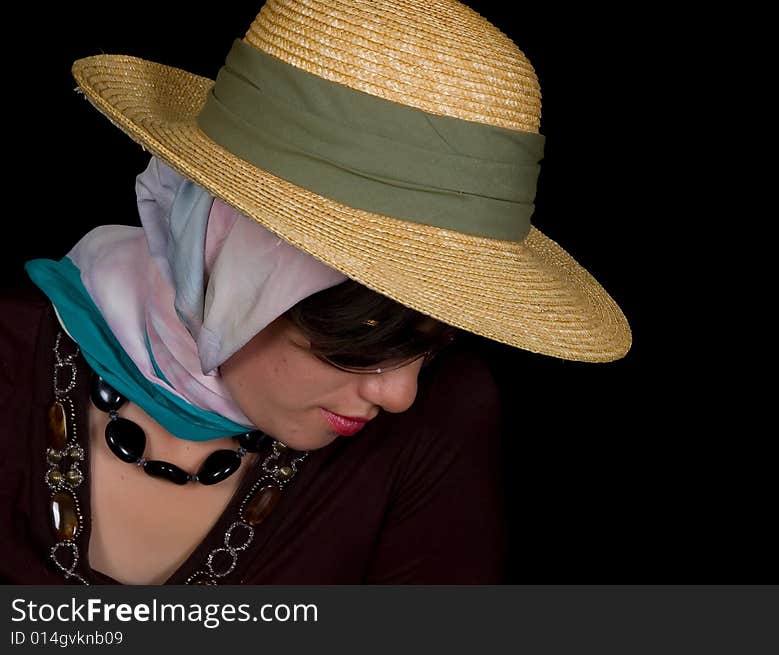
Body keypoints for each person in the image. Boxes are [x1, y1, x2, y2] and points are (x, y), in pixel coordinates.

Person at [0, 0, 631, 584]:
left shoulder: (441, 422)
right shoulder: (11, 356)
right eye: (359, 338)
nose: (401, 394)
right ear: (230, 264)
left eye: (431, 344)